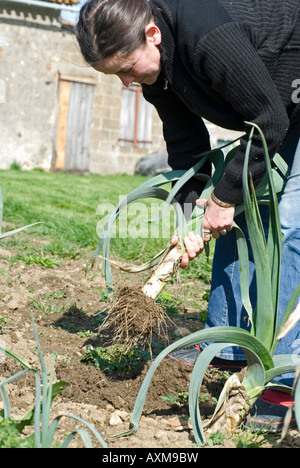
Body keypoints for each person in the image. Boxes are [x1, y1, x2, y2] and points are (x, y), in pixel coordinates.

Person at [75, 0, 300, 431]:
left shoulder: (204, 34)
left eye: (127, 67)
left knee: (291, 223)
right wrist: (190, 217)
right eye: (115, 75)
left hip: (285, 105)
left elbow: (268, 119)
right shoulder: (157, 70)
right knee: (235, 211)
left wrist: (223, 198)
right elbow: (185, 144)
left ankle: (283, 381)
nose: (126, 82)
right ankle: (224, 342)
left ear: (152, 34)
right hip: (273, 112)